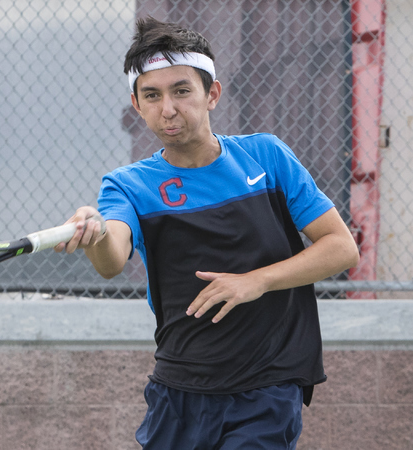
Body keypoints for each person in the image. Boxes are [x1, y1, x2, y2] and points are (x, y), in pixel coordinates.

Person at [55, 17, 359, 449]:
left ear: (211, 94)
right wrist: (96, 230)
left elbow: (341, 248)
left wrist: (257, 281)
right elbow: (112, 261)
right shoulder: (128, 184)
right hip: (178, 388)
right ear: (137, 105)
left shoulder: (267, 157)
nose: (169, 108)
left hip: (268, 384)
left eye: (182, 90)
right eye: (152, 96)